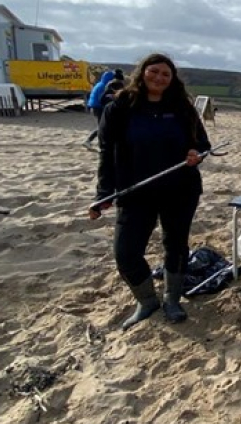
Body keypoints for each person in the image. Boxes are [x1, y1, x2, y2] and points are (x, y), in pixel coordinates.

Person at [88, 53, 211, 330]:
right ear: (142, 72)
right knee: (126, 253)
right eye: (154, 71)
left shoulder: (183, 107)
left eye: (165, 74)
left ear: (172, 79)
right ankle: (146, 301)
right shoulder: (119, 106)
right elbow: (106, 153)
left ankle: (172, 299)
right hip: (135, 191)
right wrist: (103, 194)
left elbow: (203, 144)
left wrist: (196, 154)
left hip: (180, 188)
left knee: (175, 245)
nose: (159, 78)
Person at [83, 69, 116, 150]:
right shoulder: (104, 86)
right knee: (102, 126)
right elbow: (102, 99)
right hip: (98, 108)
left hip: (94, 107)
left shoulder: (99, 84)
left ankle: (97, 141)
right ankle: (88, 141)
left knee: (102, 126)